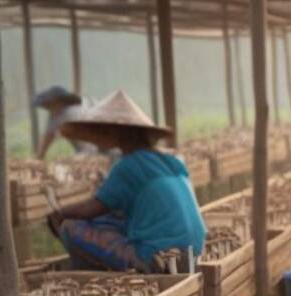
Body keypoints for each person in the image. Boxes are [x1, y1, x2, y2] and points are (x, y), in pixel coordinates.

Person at [47, 90, 206, 272]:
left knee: (70, 227)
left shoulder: (129, 166)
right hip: (194, 250)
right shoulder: (172, 160)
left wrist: (59, 213)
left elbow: (92, 208)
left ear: (117, 132)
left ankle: (106, 275)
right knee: (112, 220)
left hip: (160, 255)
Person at [33, 85, 94, 159]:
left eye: (48, 104)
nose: (46, 108)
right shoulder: (58, 115)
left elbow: (47, 138)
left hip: (91, 153)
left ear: (57, 101)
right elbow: (47, 137)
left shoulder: (66, 114)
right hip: (90, 152)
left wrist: (38, 158)